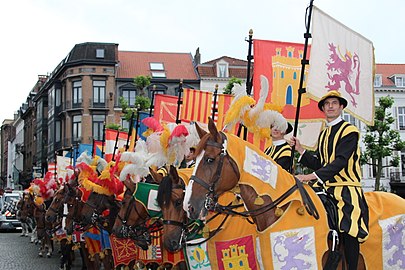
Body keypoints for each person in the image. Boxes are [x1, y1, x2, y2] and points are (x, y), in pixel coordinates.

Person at [290, 90, 369, 270]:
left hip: (346, 188)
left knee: (349, 229)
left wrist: (309, 177)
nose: (331, 106)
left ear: (341, 107)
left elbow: (340, 161)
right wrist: (301, 150)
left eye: (334, 103)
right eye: (327, 104)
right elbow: (321, 164)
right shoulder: (324, 134)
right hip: (325, 187)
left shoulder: (349, 131)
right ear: (323, 109)